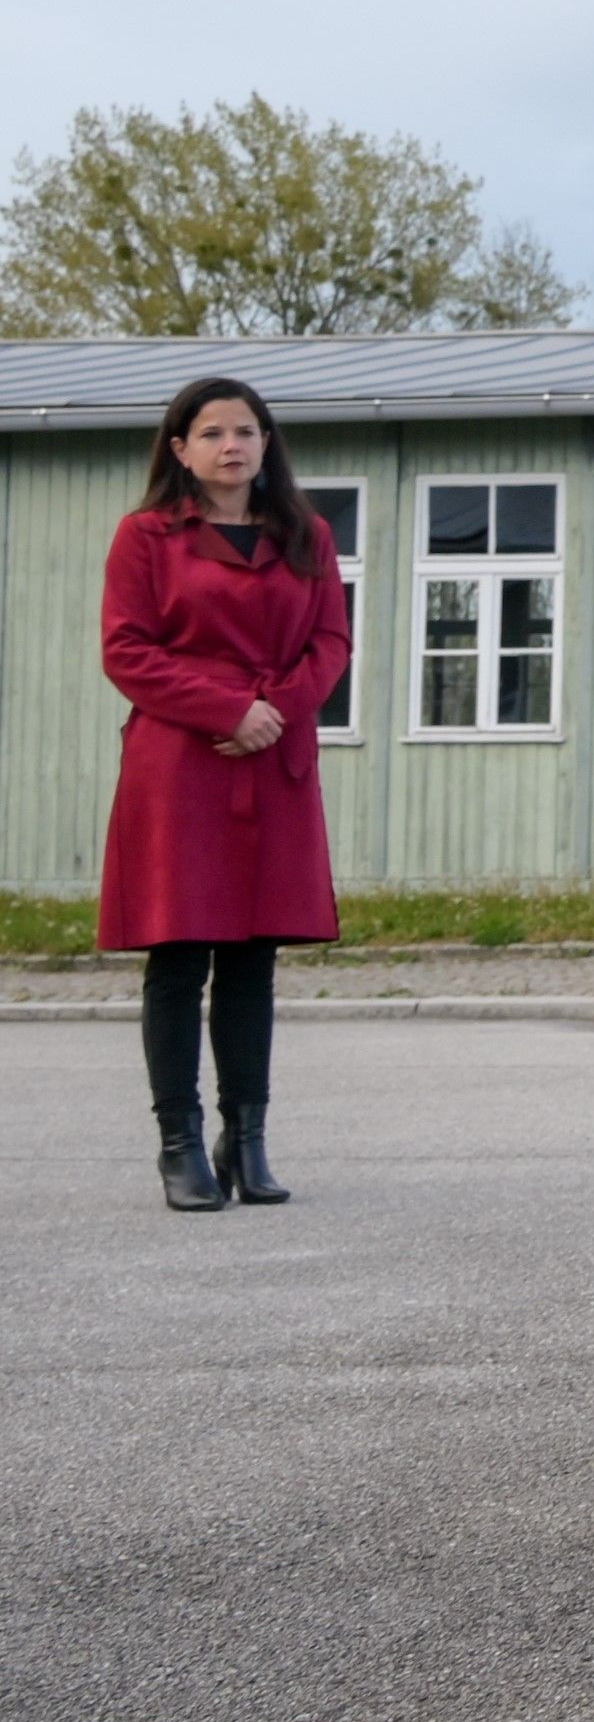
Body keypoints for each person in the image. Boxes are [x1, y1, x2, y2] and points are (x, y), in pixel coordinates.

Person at [98, 378, 351, 1213]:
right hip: (183, 763)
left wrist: (272, 711)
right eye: (211, 432)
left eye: (246, 430)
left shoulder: (307, 534)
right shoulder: (145, 537)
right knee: (178, 955)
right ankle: (179, 1143)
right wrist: (226, 710)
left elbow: (330, 641)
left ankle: (246, 1139)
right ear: (180, 448)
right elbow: (126, 650)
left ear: (266, 443)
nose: (231, 445)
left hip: (273, 758)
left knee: (253, 956)